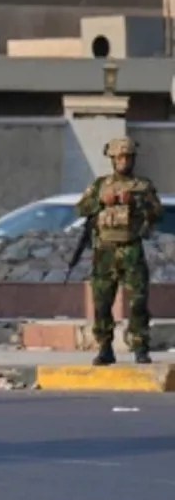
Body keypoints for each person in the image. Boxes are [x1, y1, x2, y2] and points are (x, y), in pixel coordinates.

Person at [74, 136, 164, 367]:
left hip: (131, 248)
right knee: (102, 302)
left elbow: (157, 212)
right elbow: (80, 209)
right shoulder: (100, 185)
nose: (124, 161)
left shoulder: (142, 186)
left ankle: (140, 347)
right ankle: (105, 348)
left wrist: (134, 201)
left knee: (138, 302)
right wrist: (100, 201)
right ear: (113, 159)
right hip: (104, 250)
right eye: (120, 157)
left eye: (128, 157)